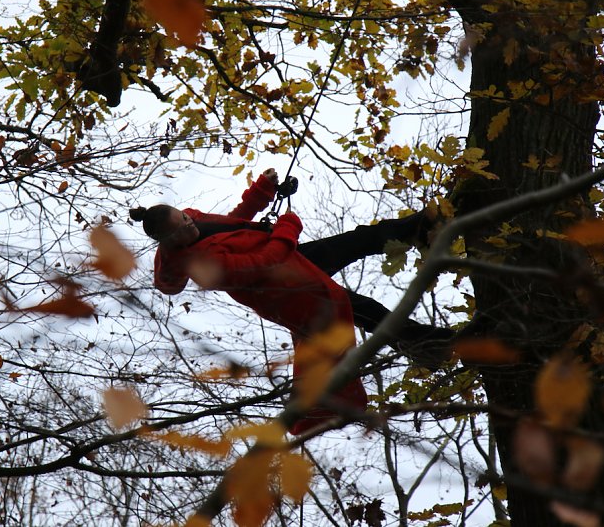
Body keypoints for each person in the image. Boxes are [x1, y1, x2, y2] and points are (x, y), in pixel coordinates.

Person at [130, 169, 453, 434]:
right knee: (362, 308)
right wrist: (287, 227)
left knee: (360, 240)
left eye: (187, 217)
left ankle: (423, 227)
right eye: (183, 226)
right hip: (289, 291)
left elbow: (231, 224)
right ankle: (425, 345)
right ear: (171, 243)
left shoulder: (193, 222)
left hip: (293, 261)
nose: (191, 223)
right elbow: (265, 261)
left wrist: (260, 193)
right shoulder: (205, 268)